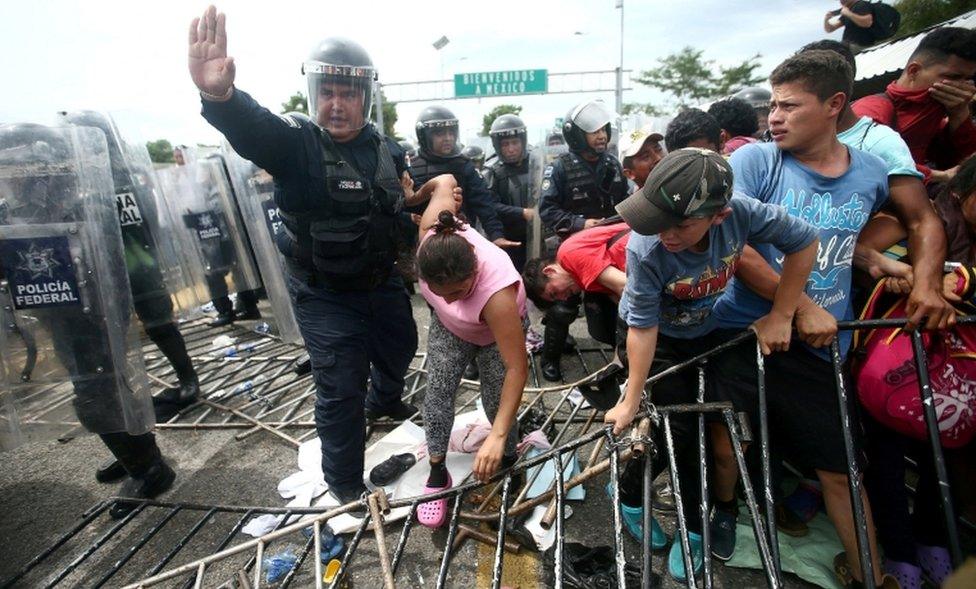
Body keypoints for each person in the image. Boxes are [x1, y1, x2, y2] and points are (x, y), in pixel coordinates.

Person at [188, 7, 430, 506]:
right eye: (328, 92)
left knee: (400, 348)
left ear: (365, 96)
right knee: (341, 383)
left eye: (348, 93)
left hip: (380, 281)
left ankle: (384, 403)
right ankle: (342, 480)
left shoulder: (388, 149)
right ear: (314, 94)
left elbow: (396, 205)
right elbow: (255, 129)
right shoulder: (296, 143)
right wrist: (221, 97)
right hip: (323, 293)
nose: (336, 104)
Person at [708, 50, 893, 588]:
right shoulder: (756, 163)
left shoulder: (872, 173)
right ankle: (721, 511)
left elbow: (866, 226)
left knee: (839, 466)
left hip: (820, 343)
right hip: (743, 330)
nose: (775, 117)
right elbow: (736, 247)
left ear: (835, 105)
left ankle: (871, 574)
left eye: (790, 105)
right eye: (772, 104)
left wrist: (878, 259)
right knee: (731, 447)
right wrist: (799, 308)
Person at [606, 148, 818, 581]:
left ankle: (703, 518)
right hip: (657, 338)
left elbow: (805, 241)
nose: (666, 233)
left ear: (718, 216)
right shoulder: (647, 248)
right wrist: (630, 399)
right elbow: (643, 330)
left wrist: (782, 313)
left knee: (719, 434)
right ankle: (650, 504)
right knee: (679, 433)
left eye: (680, 224)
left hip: (711, 328)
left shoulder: (742, 213)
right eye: (657, 219)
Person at [59, 111, 202, 431]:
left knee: (160, 326)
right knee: (114, 340)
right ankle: (125, 408)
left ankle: (188, 380)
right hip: (107, 275)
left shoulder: (128, 176)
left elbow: (152, 221)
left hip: (141, 267)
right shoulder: (80, 180)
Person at [413, 175, 527, 528]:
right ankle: (436, 473)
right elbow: (444, 181)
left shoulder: (496, 295)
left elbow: (516, 370)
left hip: (494, 334)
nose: (447, 299)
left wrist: (495, 438)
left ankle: (508, 464)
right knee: (438, 393)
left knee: (498, 405)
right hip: (452, 329)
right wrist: (411, 197)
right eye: (438, 293)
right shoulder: (431, 235)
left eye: (458, 292)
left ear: (473, 273)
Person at [537, 100, 629, 381]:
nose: (601, 135)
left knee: (615, 304)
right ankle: (550, 358)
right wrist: (580, 224)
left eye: (603, 129)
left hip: (608, 245)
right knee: (562, 306)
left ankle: (622, 357)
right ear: (576, 135)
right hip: (571, 246)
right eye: (593, 131)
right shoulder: (560, 168)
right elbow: (547, 209)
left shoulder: (613, 165)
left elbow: (626, 203)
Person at [853, 27, 976, 186]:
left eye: (968, 79)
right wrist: (938, 175)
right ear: (914, 71)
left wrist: (959, 114)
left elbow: (963, 164)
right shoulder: (872, 109)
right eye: (953, 77)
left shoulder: (935, 111)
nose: (963, 87)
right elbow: (860, 160)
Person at [173, 145, 262, 326]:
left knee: (215, 276)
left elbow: (212, 218)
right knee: (239, 272)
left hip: (219, 241)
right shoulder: (217, 190)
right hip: (225, 240)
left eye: (204, 171)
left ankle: (225, 311)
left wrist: (193, 217)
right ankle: (248, 306)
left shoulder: (218, 193)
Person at [408, 105, 509, 247]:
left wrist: (496, 235)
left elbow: (484, 204)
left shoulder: (464, 165)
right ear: (423, 136)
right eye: (440, 134)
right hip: (424, 244)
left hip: (461, 241)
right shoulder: (412, 168)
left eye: (451, 133)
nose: (448, 138)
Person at [484, 113, 533, 272]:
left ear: (523, 141)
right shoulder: (492, 171)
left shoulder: (537, 163)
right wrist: (521, 212)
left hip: (539, 235)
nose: (511, 149)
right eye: (505, 144)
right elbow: (489, 205)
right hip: (509, 237)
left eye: (515, 142)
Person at [619, 124, 666, 189]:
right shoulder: (636, 199)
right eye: (646, 156)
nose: (658, 158)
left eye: (658, 150)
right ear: (629, 173)